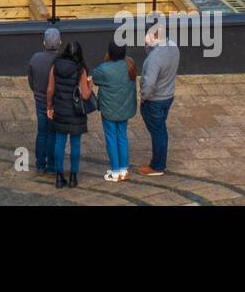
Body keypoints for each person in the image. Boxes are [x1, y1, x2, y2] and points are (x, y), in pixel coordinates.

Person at [45, 39, 93, 188]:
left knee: (59, 142)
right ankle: (73, 176)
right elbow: (85, 95)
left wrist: (49, 107)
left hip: (60, 109)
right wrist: (90, 85)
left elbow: (50, 90)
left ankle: (59, 176)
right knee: (75, 143)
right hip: (76, 113)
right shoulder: (81, 69)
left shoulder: (56, 66)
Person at [136, 22, 179, 176]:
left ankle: (157, 166)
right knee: (160, 130)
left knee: (158, 132)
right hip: (168, 95)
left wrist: (143, 97)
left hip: (155, 101)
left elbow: (149, 83)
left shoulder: (155, 58)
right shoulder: (173, 46)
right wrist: (149, 46)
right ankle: (159, 163)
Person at [92, 41, 137, 182]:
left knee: (111, 138)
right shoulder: (130, 64)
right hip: (125, 109)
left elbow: (95, 78)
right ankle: (124, 169)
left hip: (109, 110)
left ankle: (115, 171)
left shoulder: (104, 68)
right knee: (122, 136)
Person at [27, 27, 62, 176]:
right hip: (56, 102)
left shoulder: (35, 58)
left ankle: (40, 165)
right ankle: (52, 166)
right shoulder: (61, 61)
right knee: (53, 134)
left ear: (44, 42)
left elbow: (31, 80)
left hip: (40, 100)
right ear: (60, 42)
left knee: (42, 132)